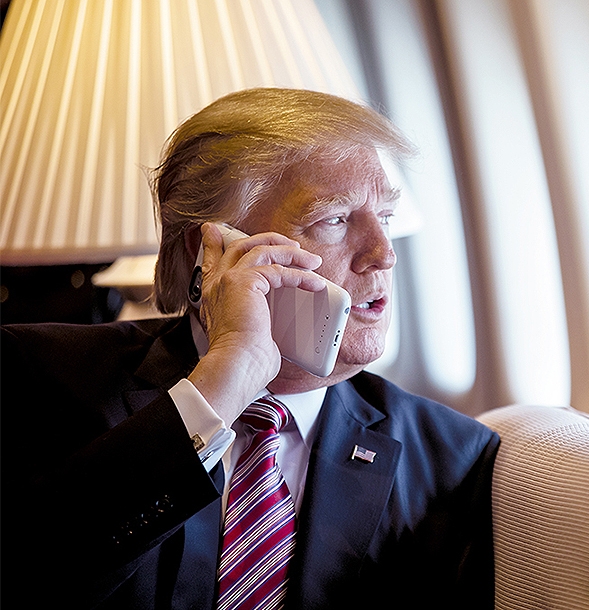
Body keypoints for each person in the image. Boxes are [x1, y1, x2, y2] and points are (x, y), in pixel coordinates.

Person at [1, 88, 499, 609]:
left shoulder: (453, 456)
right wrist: (226, 379)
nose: (383, 254)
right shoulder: (38, 374)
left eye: (387, 218)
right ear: (211, 250)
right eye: (334, 219)